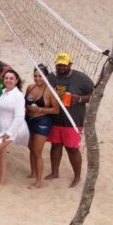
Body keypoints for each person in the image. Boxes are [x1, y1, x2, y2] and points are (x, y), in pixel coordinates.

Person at [46, 53, 93, 188]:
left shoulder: (81, 78)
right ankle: (55, 173)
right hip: (55, 119)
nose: (61, 67)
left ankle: (77, 177)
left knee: (72, 148)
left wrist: (79, 99)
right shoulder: (51, 77)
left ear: (70, 64)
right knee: (55, 146)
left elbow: (96, 94)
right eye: (59, 65)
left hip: (74, 120)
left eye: (64, 65)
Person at [25, 65, 60, 188]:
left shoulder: (50, 91)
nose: (37, 78)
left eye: (40, 76)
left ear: (46, 76)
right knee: (31, 147)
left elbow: (56, 110)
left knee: (37, 150)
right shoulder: (30, 87)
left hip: (42, 121)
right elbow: (25, 104)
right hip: (29, 120)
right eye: (35, 76)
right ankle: (33, 173)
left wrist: (39, 109)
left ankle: (38, 182)